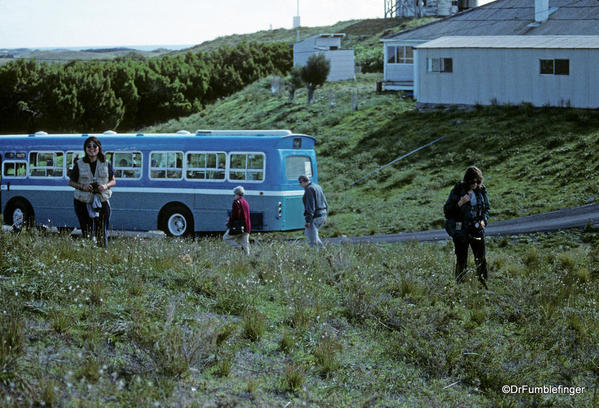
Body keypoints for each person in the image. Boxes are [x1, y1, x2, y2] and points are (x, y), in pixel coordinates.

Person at [443, 166, 490, 289]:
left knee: (481, 259)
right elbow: (447, 211)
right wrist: (460, 203)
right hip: (461, 232)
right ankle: (459, 287)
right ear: (467, 180)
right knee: (461, 260)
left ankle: (484, 285)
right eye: (472, 181)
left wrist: (483, 221)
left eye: (477, 181)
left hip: (477, 230)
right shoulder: (458, 190)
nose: (475, 184)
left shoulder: (481, 191)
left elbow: (486, 209)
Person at [68, 136, 116, 248]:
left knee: (102, 231)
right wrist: (82, 186)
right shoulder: (79, 164)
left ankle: (102, 252)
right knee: (87, 230)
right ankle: (88, 254)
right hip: (82, 201)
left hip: (101, 200)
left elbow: (113, 181)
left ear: (99, 148)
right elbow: (71, 182)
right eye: (88, 146)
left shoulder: (106, 163)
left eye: (95, 146)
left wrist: (105, 186)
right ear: (85, 149)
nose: (92, 148)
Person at [299, 175, 328, 248]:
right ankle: (322, 253)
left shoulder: (309, 189)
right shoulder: (318, 186)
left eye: (300, 183)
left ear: (303, 182)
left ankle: (322, 253)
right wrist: (325, 216)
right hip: (322, 215)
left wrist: (308, 220)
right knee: (313, 235)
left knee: (312, 239)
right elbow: (325, 202)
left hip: (315, 216)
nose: (300, 185)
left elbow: (310, 206)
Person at [223, 186, 251, 255]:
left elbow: (236, 214)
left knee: (226, 238)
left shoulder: (236, 202)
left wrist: (229, 221)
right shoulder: (245, 202)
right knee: (245, 244)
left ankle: (238, 247)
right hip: (247, 227)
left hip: (239, 226)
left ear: (237, 194)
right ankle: (248, 259)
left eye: (234, 194)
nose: (234, 196)